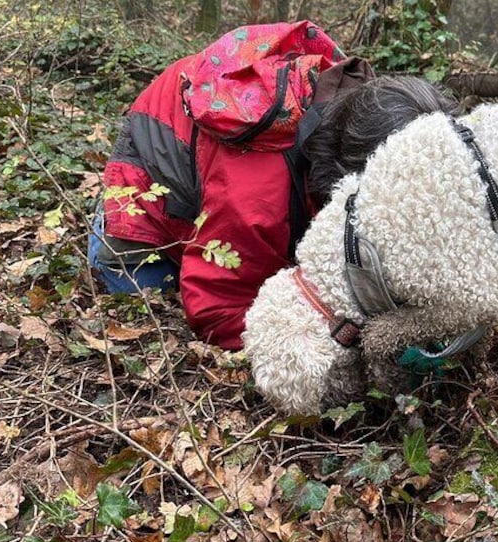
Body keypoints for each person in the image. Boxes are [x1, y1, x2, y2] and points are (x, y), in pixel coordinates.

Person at [88, 22, 457, 350]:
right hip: (139, 225)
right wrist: (340, 336)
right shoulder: (258, 197)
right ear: (349, 182)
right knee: (155, 313)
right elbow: (216, 312)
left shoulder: (362, 100)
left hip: (209, 171)